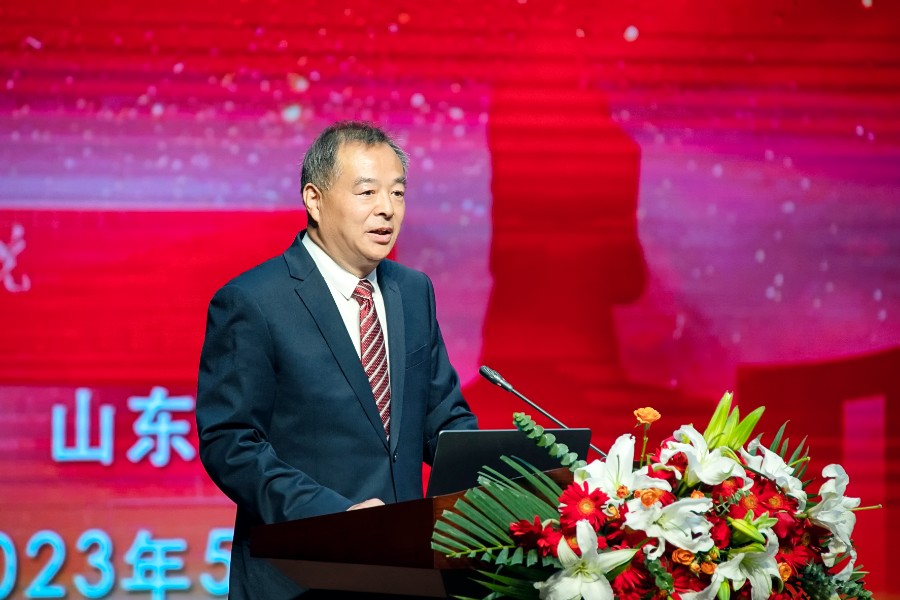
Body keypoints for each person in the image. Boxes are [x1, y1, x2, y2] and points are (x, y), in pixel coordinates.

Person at [196, 121, 478, 599]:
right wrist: (333, 515)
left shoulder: (413, 292)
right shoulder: (254, 301)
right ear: (314, 199)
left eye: (397, 193)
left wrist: (508, 479)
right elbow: (231, 443)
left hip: (408, 572)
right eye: (367, 192)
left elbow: (442, 417)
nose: (387, 209)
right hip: (302, 575)